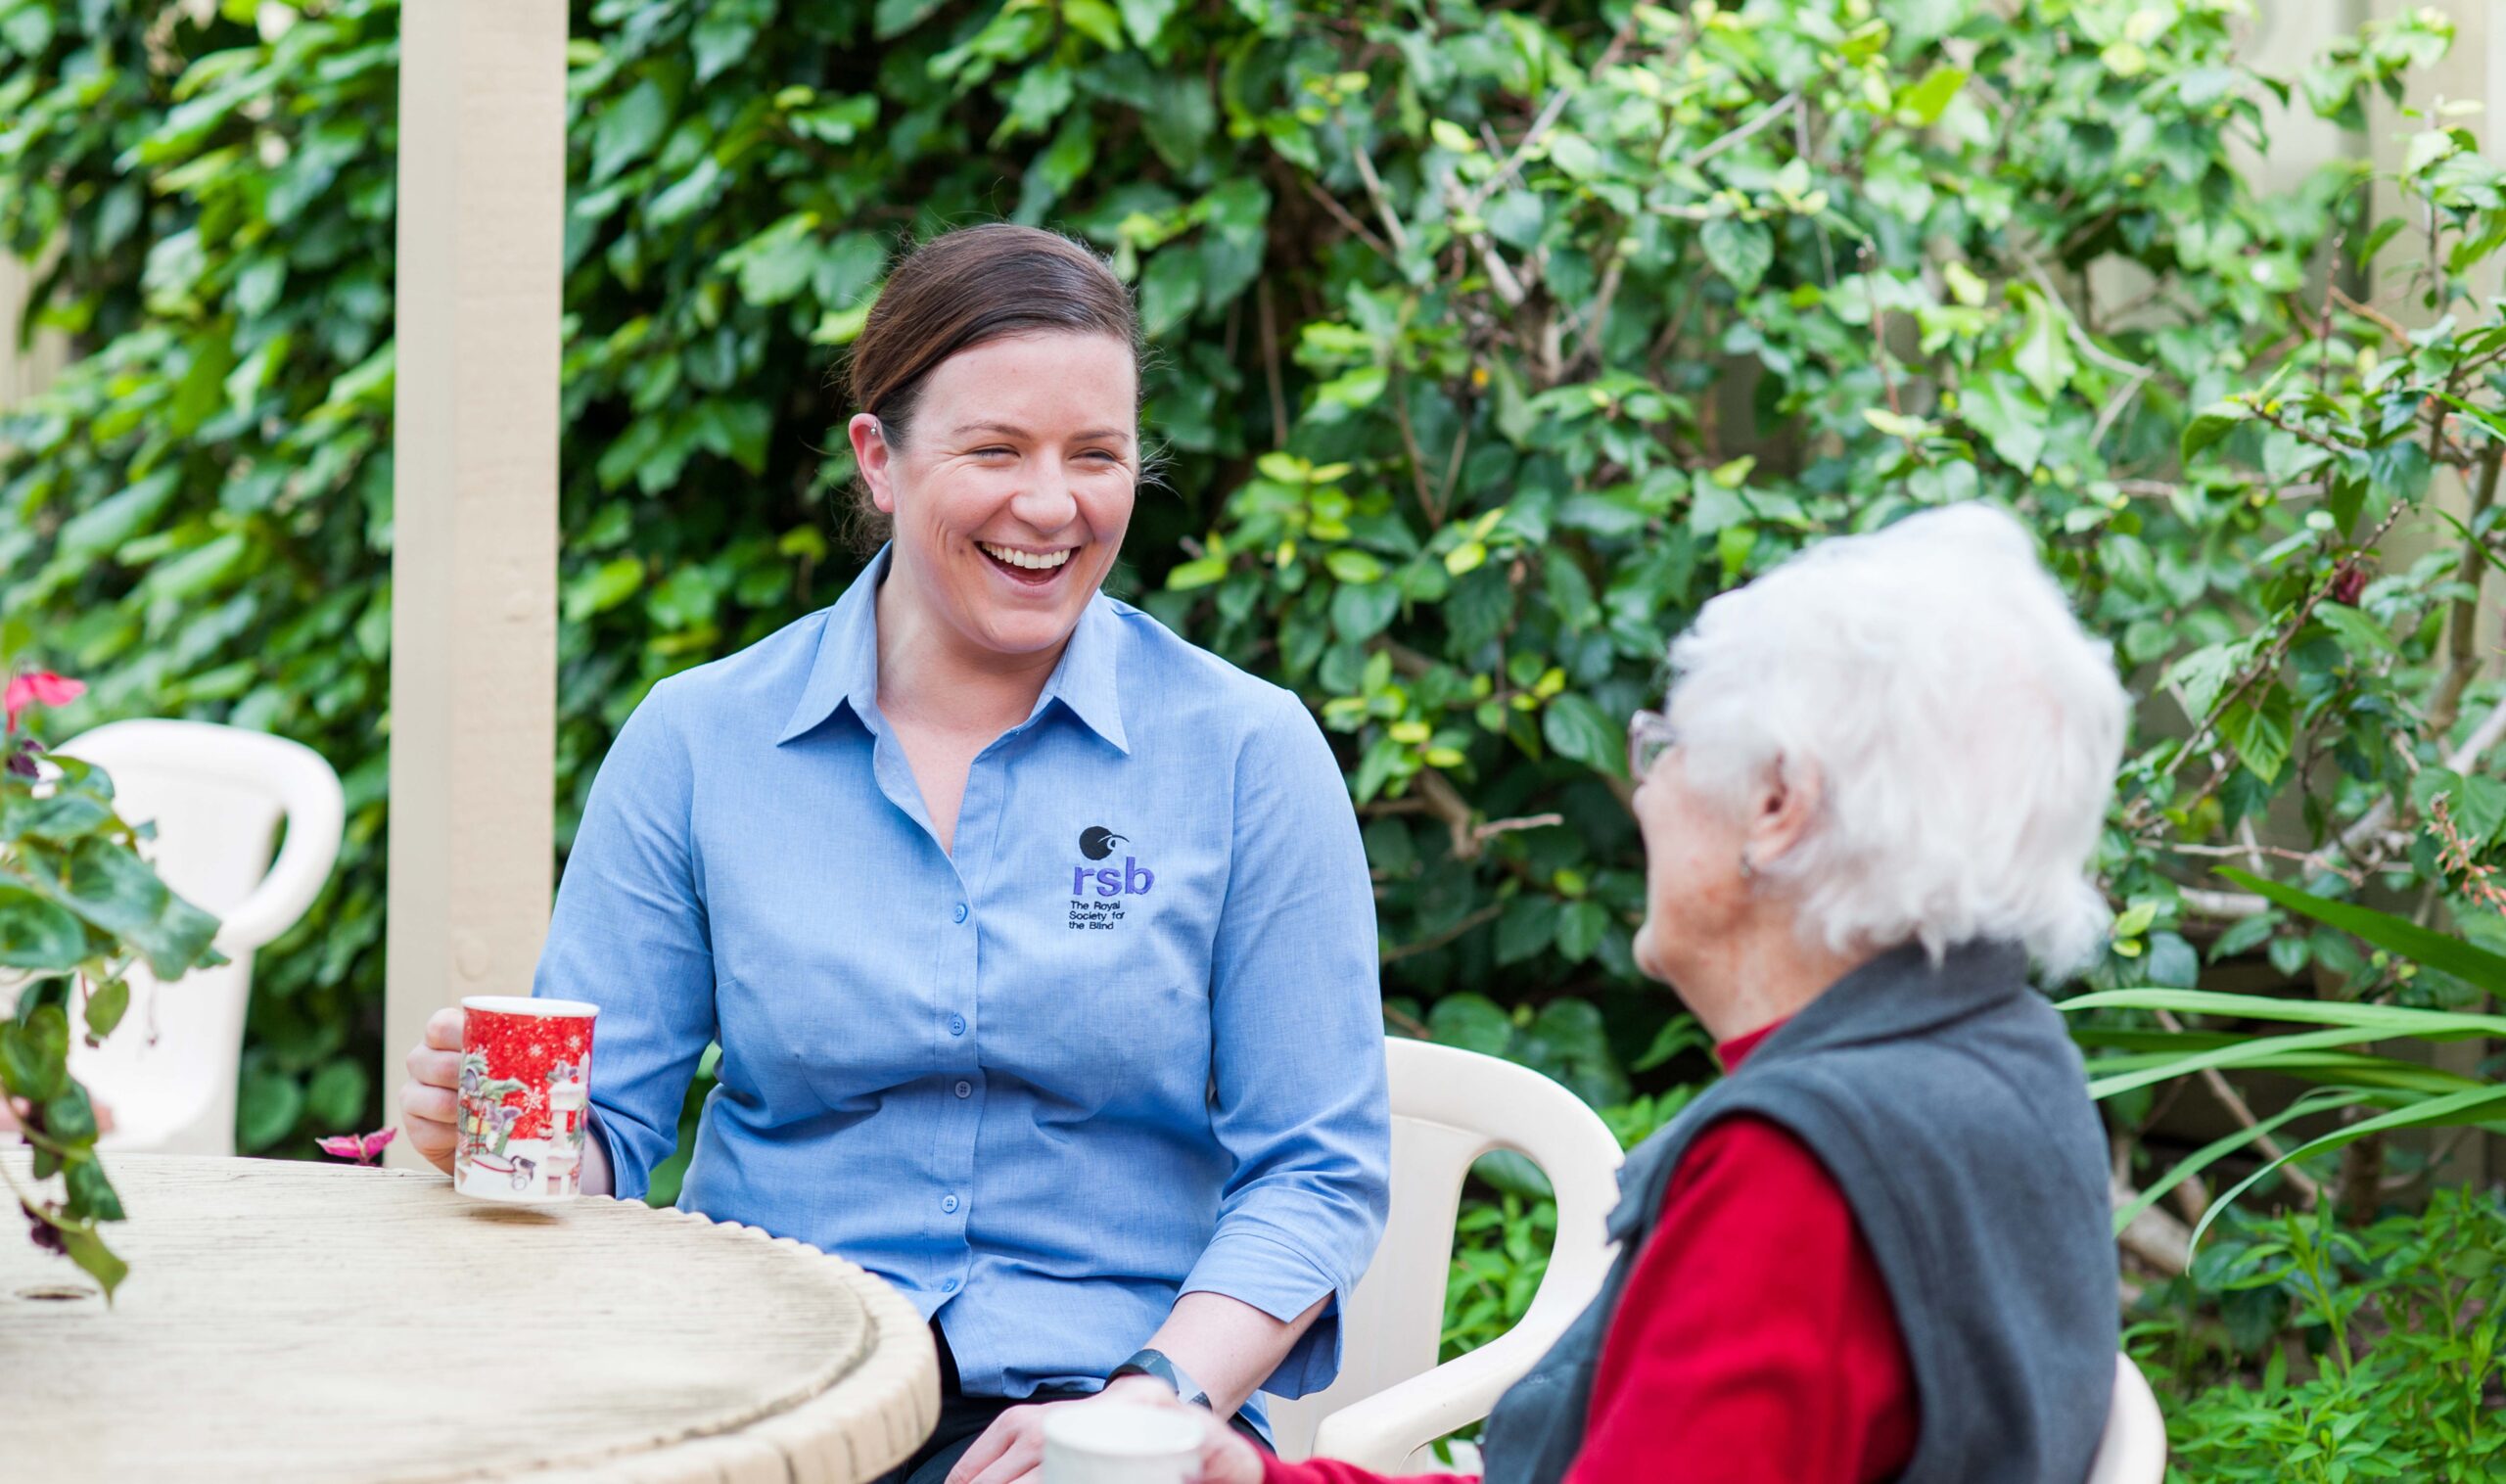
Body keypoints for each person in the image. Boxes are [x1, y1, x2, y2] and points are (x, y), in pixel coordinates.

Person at [394, 225, 1390, 1484]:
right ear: (879, 458)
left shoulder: (1244, 752)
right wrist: (490, 1135)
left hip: (1105, 1412)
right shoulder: (699, 743)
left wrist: (1154, 1401)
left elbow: (1315, 1168)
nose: (1052, 503)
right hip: (763, 1403)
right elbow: (605, 1128)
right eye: (994, 450)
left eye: (1097, 455)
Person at [1181, 504, 2127, 1484]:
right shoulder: (2011, 1053)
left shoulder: (1792, 1178)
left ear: (1776, 806)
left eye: (1667, 744)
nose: (1643, 792)